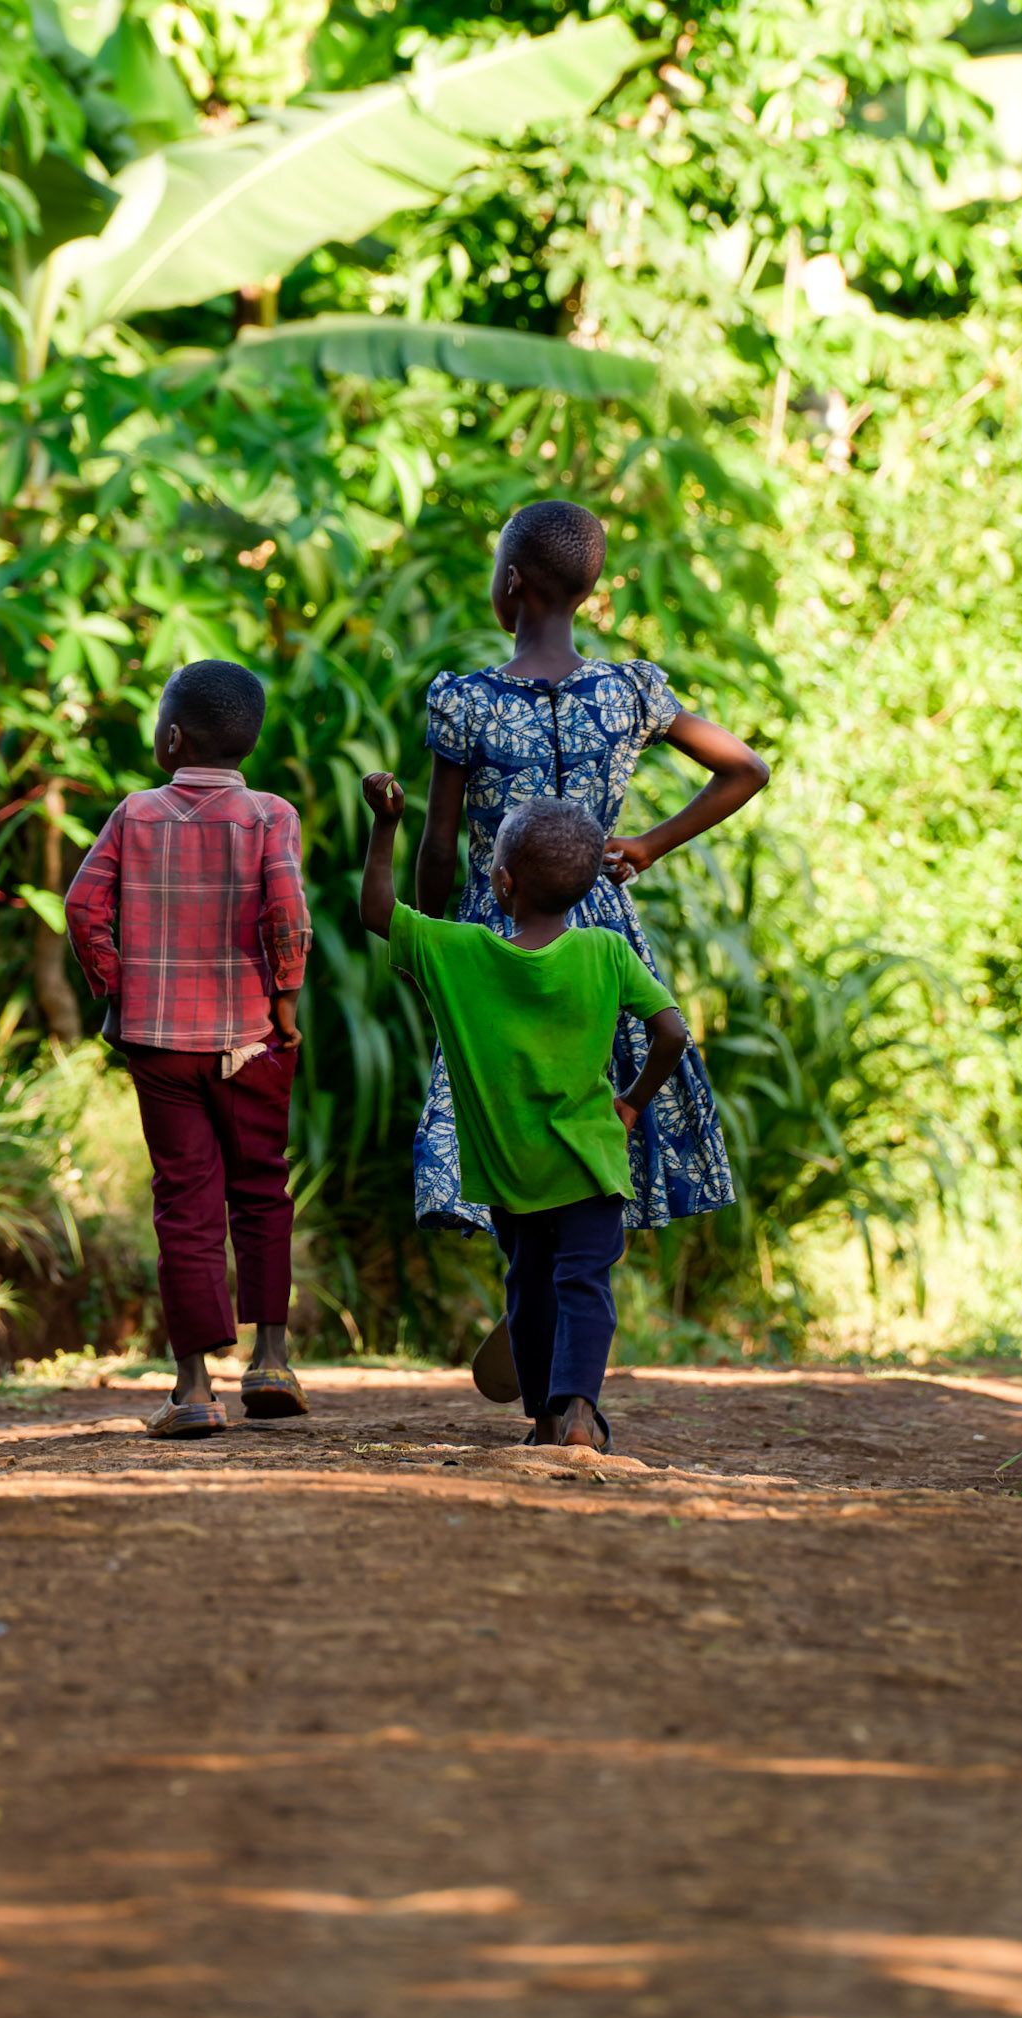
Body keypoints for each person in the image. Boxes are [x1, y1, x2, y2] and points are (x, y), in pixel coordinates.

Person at [412, 499, 768, 1239]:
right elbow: (746, 769)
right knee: (590, 1097)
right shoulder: (626, 693)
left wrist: (430, 943)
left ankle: (525, 1277)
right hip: (598, 927)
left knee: (501, 1104)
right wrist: (649, 845)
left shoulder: (467, 703)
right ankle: (576, 1272)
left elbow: (439, 846)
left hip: (498, 929)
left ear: (512, 580)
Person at [361, 774, 689, 1451]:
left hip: (512, 1171)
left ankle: (542, 1421)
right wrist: (631, 1102)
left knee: (530, 1290)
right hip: (590, 1160)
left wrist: (387, 822)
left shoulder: (456, 952)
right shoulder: (606, 950)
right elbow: (672, 1033)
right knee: (584, 1284)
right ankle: (579, 1414)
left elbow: (378, 912)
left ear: (503, 883)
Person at [64, 659, 312, 1441]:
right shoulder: (270, 814)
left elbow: (82, 905)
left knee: (185, 1204)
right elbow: (287, 910)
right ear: (250, 741)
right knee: (261, 1191)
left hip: (159, 1042)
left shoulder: (134, 813)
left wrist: (118, 986)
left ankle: (194, 1386)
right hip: (253, 1042)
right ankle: (269, 1361)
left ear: (172, 738)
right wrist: (283, 997)